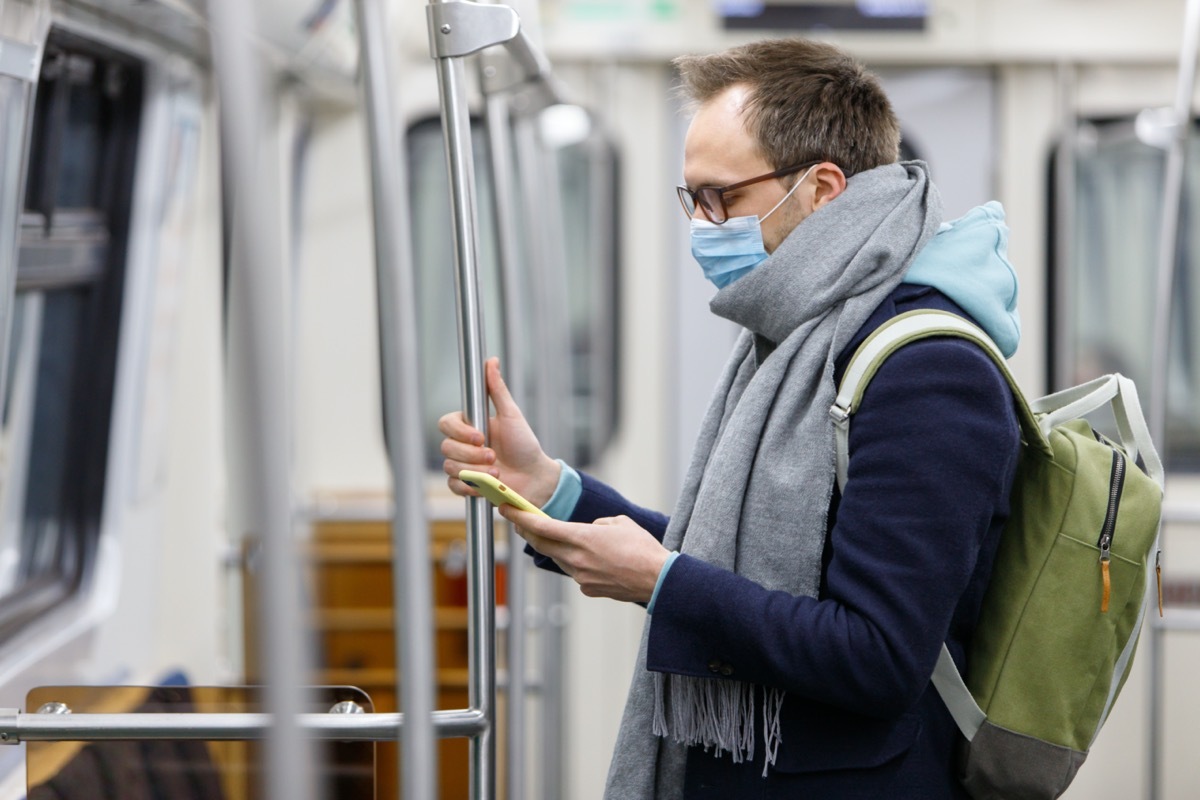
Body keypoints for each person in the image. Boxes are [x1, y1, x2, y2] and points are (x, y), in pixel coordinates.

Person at [439, 37, 1021, 800]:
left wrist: (663, 585)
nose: (703, 227)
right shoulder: (801, 337)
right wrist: (551, 488)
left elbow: (876, 656)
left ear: (823, 189)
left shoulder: (929, 369)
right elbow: (741, 566)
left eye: (721, 198)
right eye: (692, 202)